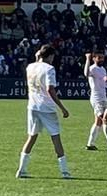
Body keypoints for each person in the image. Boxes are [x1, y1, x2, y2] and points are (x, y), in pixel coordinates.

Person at [17, 43, 72, 179]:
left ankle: (21, 170)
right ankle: (64, 171)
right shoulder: (49, 69)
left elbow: (37, 66)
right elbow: (50, 89)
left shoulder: (30, 66)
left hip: (33, 106)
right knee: (56, 138)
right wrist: (62, 107)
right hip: (46, 108)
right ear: (51, 56)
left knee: (32, 137)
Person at [84, 50, 107, 151]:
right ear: (94, 58)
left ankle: (90, 144)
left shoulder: (102, 69)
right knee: (105, 120)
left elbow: (104, 82)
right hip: (96, 98)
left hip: (103, 97)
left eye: (102, 57)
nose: (101, 59)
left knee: (98, 122)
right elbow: (86, 73)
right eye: (99, 58)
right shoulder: (92, 68)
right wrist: (87, 59)